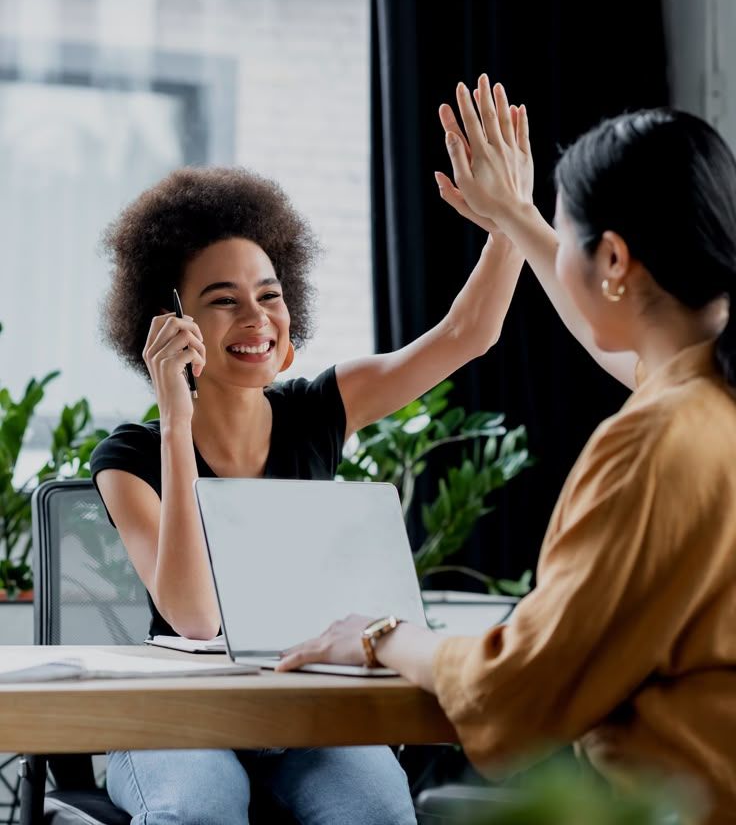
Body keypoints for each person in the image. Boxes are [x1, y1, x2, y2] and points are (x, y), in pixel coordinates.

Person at [278, 79, 736, 825]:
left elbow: (514, 686)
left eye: (565, 236)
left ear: (614, 260)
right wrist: (520, 217)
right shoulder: (711, 398)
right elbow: (629, 343)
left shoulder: (657, 440)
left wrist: (383, 634)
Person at [90, 162, 529, 825]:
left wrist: (513, 221)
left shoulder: (321, 408)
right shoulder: (127, 457)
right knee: (199, 812)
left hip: (299, 707)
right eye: (223, 298)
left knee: (377, 809)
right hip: (178, 716)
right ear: (170, 321)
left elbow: (467, 336)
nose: (256, 317)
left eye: (269, 294)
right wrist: (175, 422)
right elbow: (195, 618)